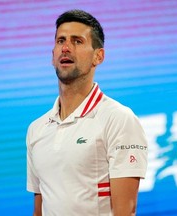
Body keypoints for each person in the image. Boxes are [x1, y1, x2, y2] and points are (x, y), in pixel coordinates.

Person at [26, 9, 148, 216]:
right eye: (60, 41)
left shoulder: (118, 119)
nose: (65, 48)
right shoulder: (36, 129)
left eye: (77, 41)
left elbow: (125, 211)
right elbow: (40, 208)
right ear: (52, 57)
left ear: (98, 56)